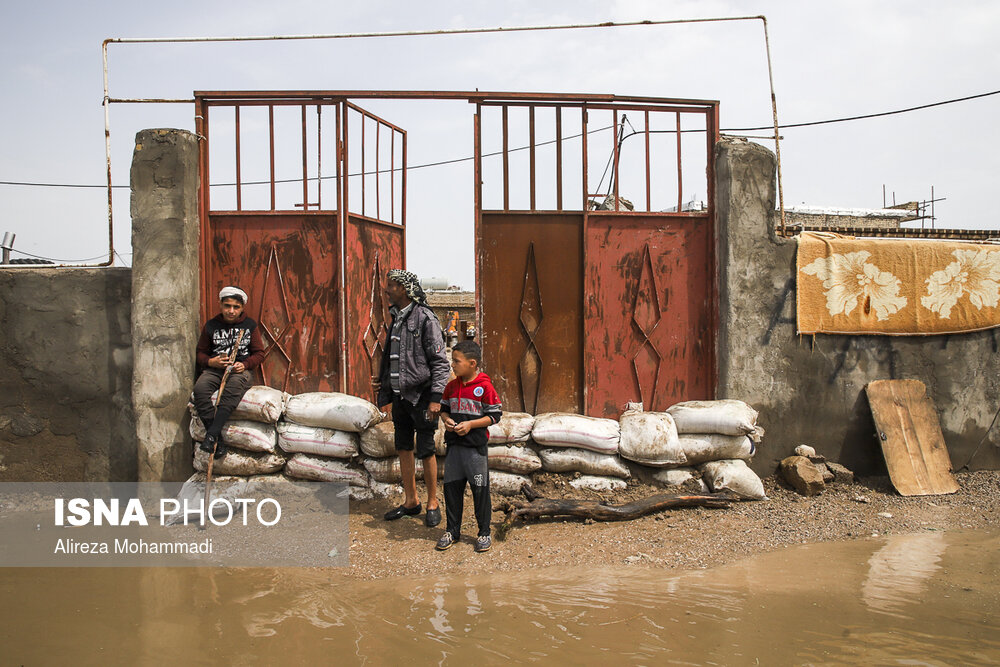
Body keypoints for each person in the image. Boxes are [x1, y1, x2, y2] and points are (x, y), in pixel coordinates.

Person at [374, 269, 450, 527]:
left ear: (405, 289)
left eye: (392, 285)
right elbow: (393, 358)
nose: (387, 290)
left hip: (422, 396)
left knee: (426, 449)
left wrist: (436, 398)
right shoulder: (396, 318)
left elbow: (440, 363)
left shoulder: (425, 319)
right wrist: (385, 383)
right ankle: (411, 501)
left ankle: (432, 502)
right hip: (400, 398)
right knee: (403, 447)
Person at [435, 340, 502, 553]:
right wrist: (446, 420)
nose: (452, 365)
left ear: (472, 363)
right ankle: (452, 531)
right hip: (454, 450)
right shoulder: (451, 387)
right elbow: (444, 409)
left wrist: (472, 424)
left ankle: (484, 533)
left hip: (475, 452)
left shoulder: (485, 387)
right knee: (451, 491)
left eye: (456, 361)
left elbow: (494, 416)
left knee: (480, 491)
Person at [193, 286, 266, 458]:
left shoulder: (249, 326)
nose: (231, 311)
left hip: (239, 372)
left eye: (236, 307)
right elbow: (200, 352)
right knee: (200, 390)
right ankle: (217, 439)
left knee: (232, 389)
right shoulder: (211, 326)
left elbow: (260, 354)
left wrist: (246, 364)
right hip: (215, 371)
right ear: (220, 304)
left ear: (242, 308)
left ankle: (210, 435)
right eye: (227, 306)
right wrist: (211, 361)